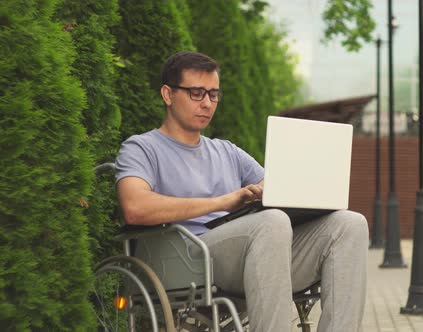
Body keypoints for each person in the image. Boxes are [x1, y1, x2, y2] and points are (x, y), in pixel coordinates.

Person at [115, 51, 368, 332]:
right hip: (184, 259)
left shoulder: (227, 152)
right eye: (196, 93)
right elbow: (135, 207)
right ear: (168, 94)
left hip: (254, 256)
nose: (207, 103)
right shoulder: (142, 148)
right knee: (271, 223)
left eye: (213, 94)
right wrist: (223, 202)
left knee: (349, 224)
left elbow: (280, 189)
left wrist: (279, 191)